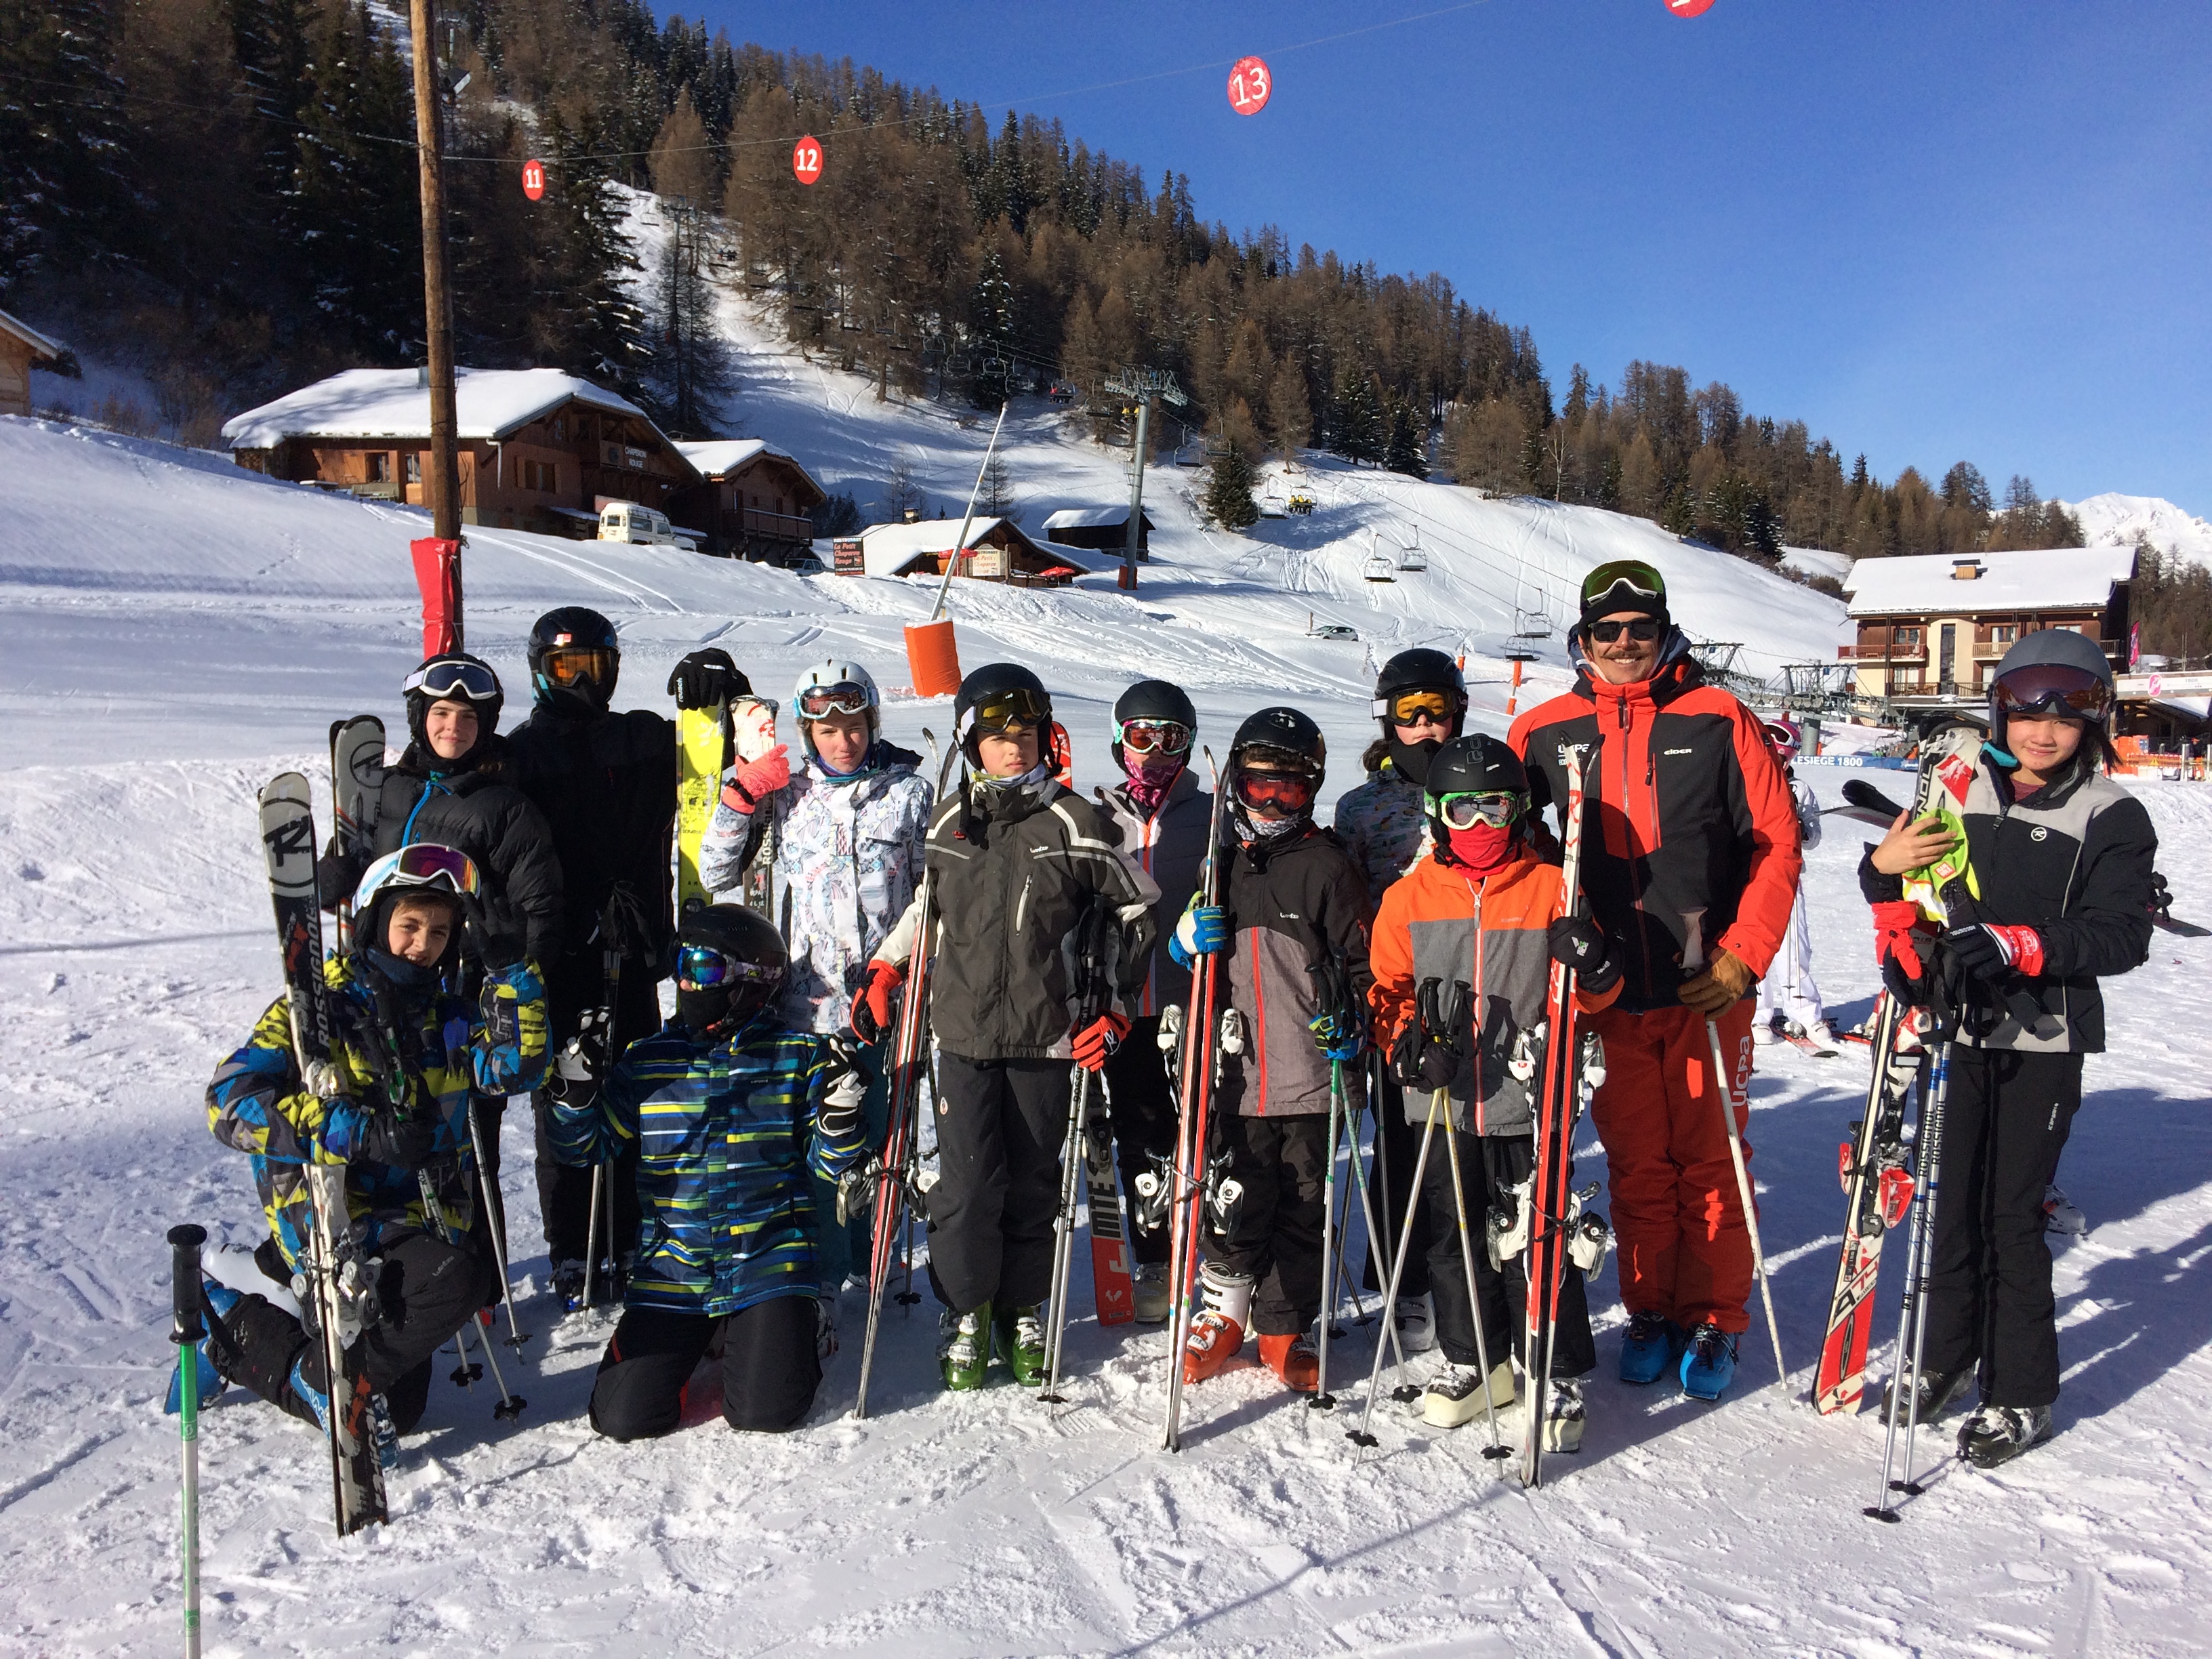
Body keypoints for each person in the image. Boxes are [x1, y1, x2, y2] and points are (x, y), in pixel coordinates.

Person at [1509, 560, 1801, 1400]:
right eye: (1609, 631)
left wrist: (1745, 952)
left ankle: (1715, 1317)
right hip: (1607, 992)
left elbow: (1775, 844)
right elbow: (1517, 852)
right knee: (1638, 1162)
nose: (1626, 644)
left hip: (1708, 984)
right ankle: (1649, 1309)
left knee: (1711, 1160)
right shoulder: (1546, 731)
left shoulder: (1717, 717)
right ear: (1584, 638)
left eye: (1641, 628)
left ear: (1664, 630)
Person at [1863, 630, 2154, 1467]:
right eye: (2029, 709)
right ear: (2002, 710)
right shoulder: (1959, 792)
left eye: (2070, 714)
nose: (2045, 731)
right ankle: (1948, 1355)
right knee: (1950, 1201)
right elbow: (1905, 891)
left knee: (2008, 1215)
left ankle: (2021, 1389)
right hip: (1956, 1027)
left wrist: (2020, 945)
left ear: (2094, 722)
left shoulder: (2108, 814)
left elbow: (2121, 933)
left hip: (2043, 1038)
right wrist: (1884, 880)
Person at [853, 663, 1158, 1391]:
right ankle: (966, 1310)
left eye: (1024, 734)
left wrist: (1115, 1007)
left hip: (1046, 1035)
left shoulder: (1078, 822)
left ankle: (1021, 1308)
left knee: (1030, 1184)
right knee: (963, 1187)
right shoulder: (949, 820)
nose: (1012, 749)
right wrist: (889, 967)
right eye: (996, 738)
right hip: (958, 1032)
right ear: (970, 743)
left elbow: (1138, 914)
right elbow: (930, 907)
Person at [201, 846, 547, 1447]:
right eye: (409, 926)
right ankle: (322, 1373)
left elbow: (518, 1070)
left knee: (406, 1410)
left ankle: (233, 1323)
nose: (423, 944)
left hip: (416, 1225)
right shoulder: (316, 1010)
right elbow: (229, 1103)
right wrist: (357, 1132)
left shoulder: (451, 1019)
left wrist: (513, 969)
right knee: (457, 1282)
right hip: (335, 1223)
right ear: (373, 921)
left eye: (440, 931)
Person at [1368, 735, 1622, 1448]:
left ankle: (1551, 1364)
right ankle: (1475, 1359)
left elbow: (1597, 998)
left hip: (1526, 1101)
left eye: (1494, 808)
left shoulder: (1551, 888)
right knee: (1453, 1238)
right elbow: (1386, 990)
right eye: (1463, 810)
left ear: (1517, 811)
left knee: (1536, 1236)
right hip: (1444, 1100)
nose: (1479, 827)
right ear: (1436, 813)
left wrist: (1596, 963)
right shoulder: (1408, 897)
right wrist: (1407, 1045)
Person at [546, 905, 871, 1439]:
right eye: (682, 965)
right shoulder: (651, 1060)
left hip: (766, 1261)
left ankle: (798, 1324)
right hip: (676, 1269)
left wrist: (839, 1116)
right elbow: (586, 1148)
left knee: (766, 1412)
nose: (687, 982)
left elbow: (830, 1164)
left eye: (704, 969)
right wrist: (574, 1097)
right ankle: (703, 1336)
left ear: (753, 980)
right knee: (623, 1417)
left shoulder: (795, 1057)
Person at [505, 607, 737, 1307]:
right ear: (540, 672)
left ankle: (633, 1232)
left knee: (640, 1088)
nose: (580, 683)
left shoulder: (640, 737)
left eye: (593, 668)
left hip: (635, 944)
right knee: (567, 1094)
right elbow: (468, 808)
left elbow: (715, 754)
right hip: (562, 949)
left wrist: (718, 688)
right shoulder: (521, 753)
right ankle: (573, 1244)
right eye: (564, 669)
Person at [697, 659, 934, 1319]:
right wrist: (742, 793)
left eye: (855, 726)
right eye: (827, 729)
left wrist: (918, 977)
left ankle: (875, 1254)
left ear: (871, 723)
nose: (843, 740)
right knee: (823, 1143)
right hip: (809, 1003)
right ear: (807, 732)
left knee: (882, 1133)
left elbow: (932, 899)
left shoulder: (909, 795)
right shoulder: (785, 793)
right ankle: (825, 1271)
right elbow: (714, 869)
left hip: (889, 1001)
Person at [316, 653, 565, 1257]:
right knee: (379, 1122)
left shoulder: (504, 808)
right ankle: (381, 1263)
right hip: (375, 986)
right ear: (420, 716)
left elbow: (543, 910)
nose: (453, 727)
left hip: (460, 997)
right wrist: (333, 874)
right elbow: (346, 873)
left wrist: (507, 972)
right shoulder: (387, 789)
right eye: (442, 713)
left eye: (469, 717)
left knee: (467, 1139)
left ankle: (473, 1273)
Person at [1172, 707, 1372, 1395]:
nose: (1271, 801)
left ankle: (1284, 1322)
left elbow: (1362, 966)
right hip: (1234, 1072)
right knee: (1235, 1192)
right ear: (1237, 784)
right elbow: (1184, 963)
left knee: (1301, 1200)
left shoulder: (1325, 866)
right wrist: (1183, 941)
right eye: (1260, 784)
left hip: (1309, 1075)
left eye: (1289, 788)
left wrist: (1355, 1029)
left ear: (1311, 789)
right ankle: (1225, 1312)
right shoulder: (1219, 862)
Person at [1333, 647, 1470, 1354]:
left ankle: (1466, 1277)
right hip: (1396, 994)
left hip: (1475, 987)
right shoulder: (1363, 807)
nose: (1425, 727)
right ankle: (1404, 1279)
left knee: (1465, 1144)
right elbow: (1344, 901)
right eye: (1408, 715)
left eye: (1437, 712)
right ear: (1388, 723)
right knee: (1398, 1142)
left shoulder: (1482, 782)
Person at [1094, 678, 1214, 1324]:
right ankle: (1157, 1255)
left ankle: (1219, 1254)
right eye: (1142, 736)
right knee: (1140, 1130)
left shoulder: (1212, 814)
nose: (1156, 752)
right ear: (1119, 741)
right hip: (1124, 1005)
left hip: (1195, 1003)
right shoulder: (1097, 816)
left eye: (1172, 739)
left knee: (1204, 1127)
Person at [1751, 715, 1836, 1050]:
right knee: (1755, 943)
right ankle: (1757, 1015)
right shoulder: (1749, 780)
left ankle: (1805, 1011)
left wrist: (1802, 827)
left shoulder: (1799, 789)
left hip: (1787, 876)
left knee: (1794, 948)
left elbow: (1813, 837)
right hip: (1752, 875)